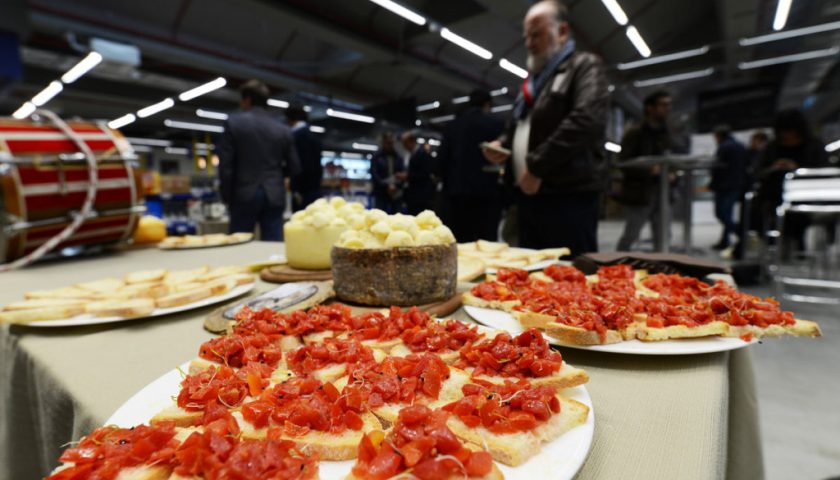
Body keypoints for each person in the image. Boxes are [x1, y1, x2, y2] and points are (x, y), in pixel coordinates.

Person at [482, 0, 608, 256]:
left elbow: (585, 121)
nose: (529, 42)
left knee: (571, 274)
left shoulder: (585, 66)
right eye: (527, 36)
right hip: (529, 195)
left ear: (562, 31)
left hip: (568, 196)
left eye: (536, 34)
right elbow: (522, 126)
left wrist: (537, 166)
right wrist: (502, 144)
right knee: (534, 274)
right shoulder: (534, 82)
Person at [216, 79, 299, 241]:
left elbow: (226, 166)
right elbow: (295, 167)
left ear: (247, 100)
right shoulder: (283, 130)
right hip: (274, 193)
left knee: (239, 244)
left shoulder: (234, 124)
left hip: (243, 194)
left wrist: (226, 195)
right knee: (273, 247)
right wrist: (276, 175)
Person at [751, 109, 829, 254]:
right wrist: (774, 168)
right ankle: (775, 243)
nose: (787, 135)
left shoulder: (814, 146)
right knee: (756, 211)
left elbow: (822, 172)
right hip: (773, 195)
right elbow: (757, 170)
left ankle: (795, 244)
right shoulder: (772, 147)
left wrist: (797, 170)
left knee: (796, 217)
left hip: (806, 195)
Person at [438, 89, 505, 242]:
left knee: (459, 242)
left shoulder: (452, 126)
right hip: (487, 196)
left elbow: (441, 161)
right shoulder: (496, 125)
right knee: (486, 243)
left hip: (456, 197)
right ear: (487, 104)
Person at [615, 90, 674, 251]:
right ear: (650, 108)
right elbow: (623, 162)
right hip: (640, 194)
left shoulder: (667, 132)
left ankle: (660, 272)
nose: (667, 108)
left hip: (663, 192)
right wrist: (649, 170)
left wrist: (672, 173)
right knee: (631, 235)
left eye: (669, 105)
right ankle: (615, 267)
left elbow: (672, 156)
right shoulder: (634, 133)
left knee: (663, 237)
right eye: (663, 105)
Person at [709, 125, 748, 250]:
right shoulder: (739, 146)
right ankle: (725, 240)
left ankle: (740, 234)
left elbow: (717, 167)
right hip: (736, 184)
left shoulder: (725, 147)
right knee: (727, 213)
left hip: (724, 185)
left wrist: (713, 183)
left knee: (722, 213)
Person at [286, 103, 323, 211]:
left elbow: (299, 166)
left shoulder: (296, 137)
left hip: (302, 191)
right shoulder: (313, 136)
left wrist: (294, 185)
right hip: (315, 188)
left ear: (290, 119)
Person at [400, 131, 437, 215]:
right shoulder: (413, 154)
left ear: (411, 141)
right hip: (415, 196)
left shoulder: (422, 154)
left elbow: (425, 173)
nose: (404, 146)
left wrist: (407, 176)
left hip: (421, 197)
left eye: (405, 144)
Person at [370, 132, 406, 213]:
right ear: (383, 142)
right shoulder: (376, 157)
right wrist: (386, 186)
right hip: (381, 192)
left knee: (397, 217)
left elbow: (402, 173)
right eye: (387, 142)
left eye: (391, 143)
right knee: (379, 216)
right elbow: (374, 174)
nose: (389, 145)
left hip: (396, 192)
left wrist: (396, 186)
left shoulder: (398, 157)